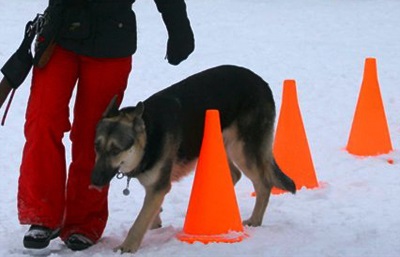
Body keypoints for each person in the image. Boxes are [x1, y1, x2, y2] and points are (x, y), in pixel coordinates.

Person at [17, 0, 194, 251]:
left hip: (111, 38)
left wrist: (178, 25)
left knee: (95, 135)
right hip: (59, 33)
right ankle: (42, 216)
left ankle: (84, 221)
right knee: (41, 122)